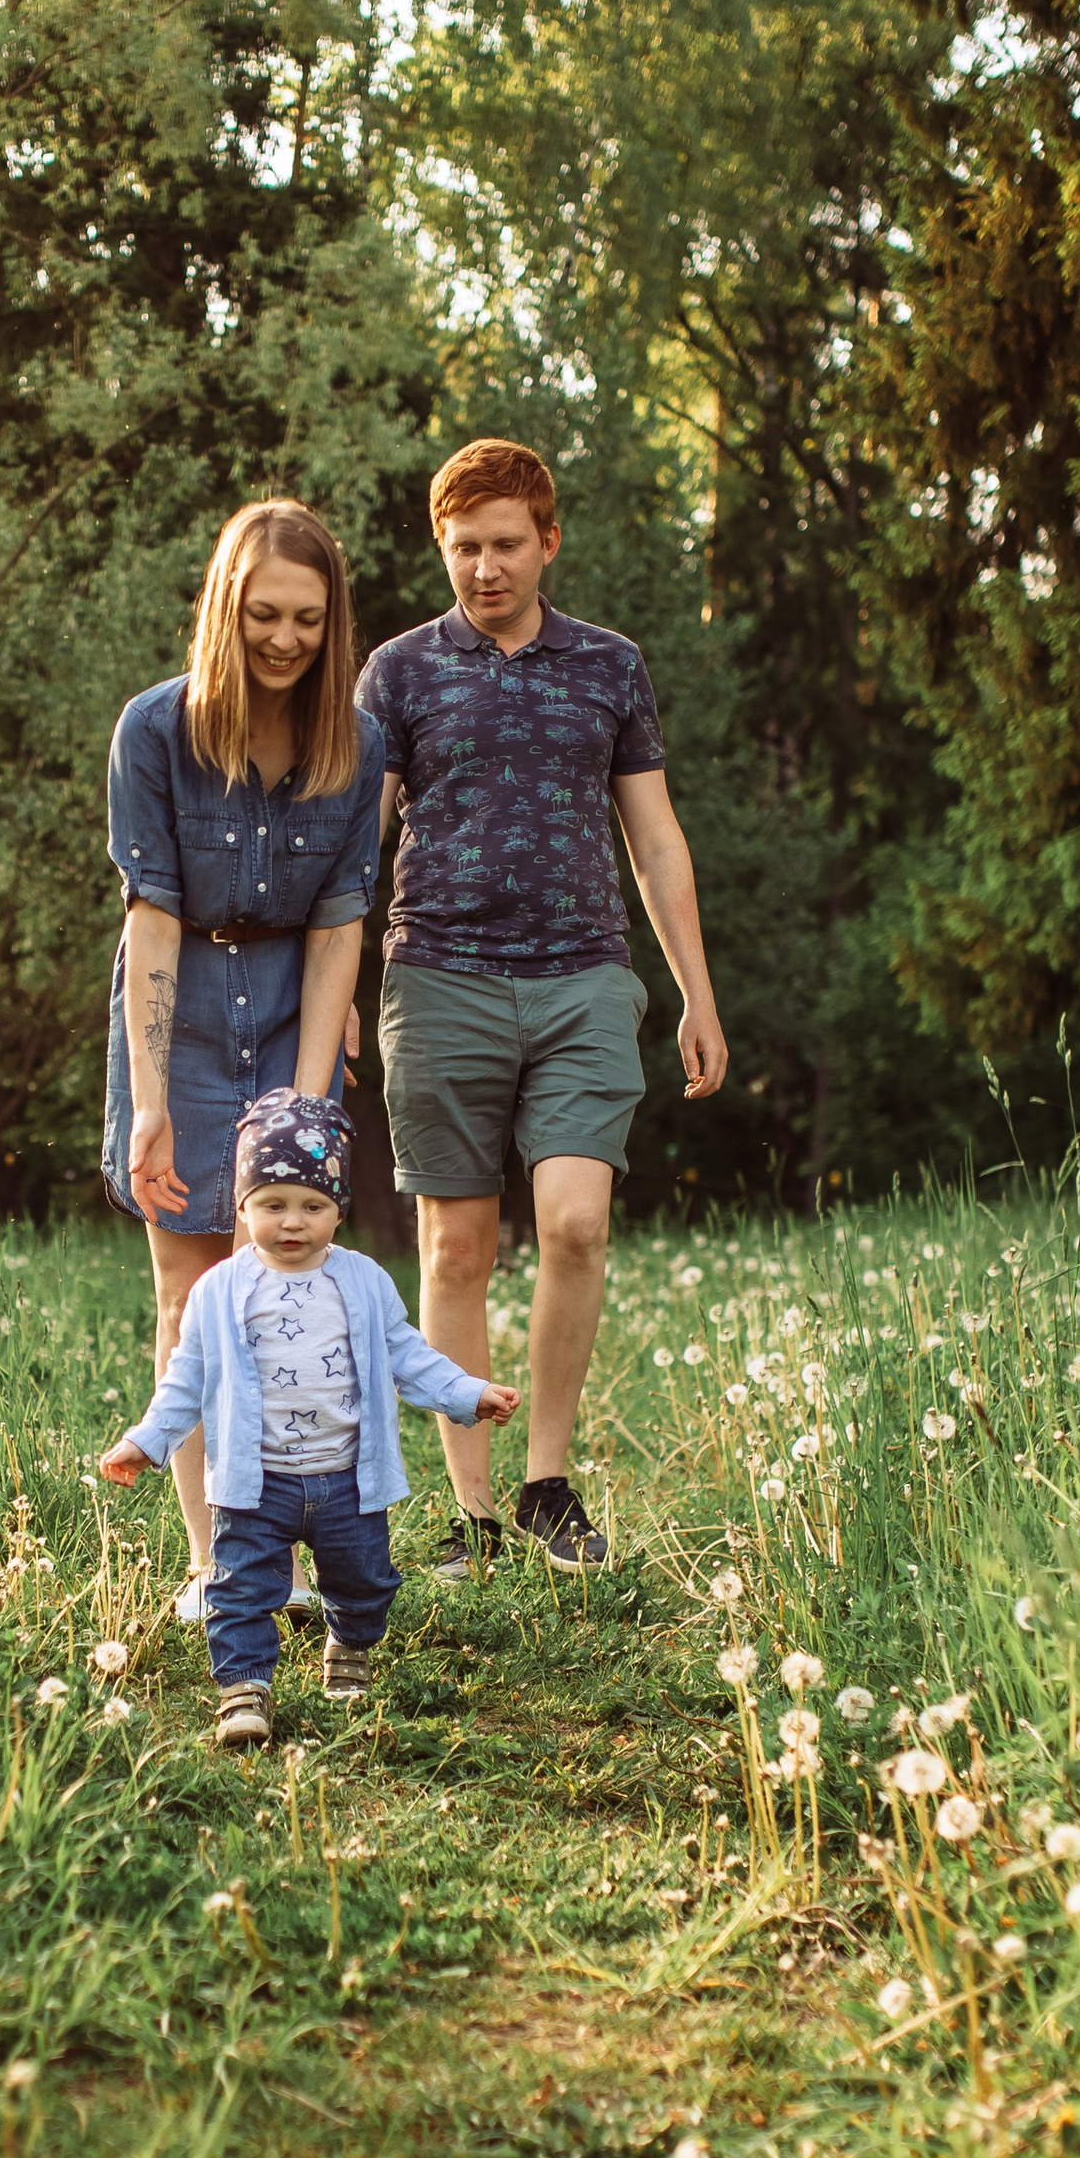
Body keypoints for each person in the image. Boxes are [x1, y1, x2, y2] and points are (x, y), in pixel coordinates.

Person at [360, 438, 728, 1576]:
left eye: (505, 545)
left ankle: (546, 1486)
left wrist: (693, 994)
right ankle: (471, 1515)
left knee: (573, 1221)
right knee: (457, 1246)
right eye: (463, 548)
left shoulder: (609, 666)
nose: (483, 568)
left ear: (548, 541)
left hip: (582, 977)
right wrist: (322, 994)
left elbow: (655, 839)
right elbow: (355, 846)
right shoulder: (398, 673)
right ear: (442, 548)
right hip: (437, 977)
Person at [102, 501, 384, 1623]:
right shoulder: (155, 731)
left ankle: (282, 1545)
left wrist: (311, 1109)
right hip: (177, 1016)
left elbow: (336, 935)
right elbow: (152, 920)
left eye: (307, 620)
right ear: (225, 606)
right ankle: (215, 1562)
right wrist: (152, 1102)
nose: (282, 639)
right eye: (262, 613)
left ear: (333, 623)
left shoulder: (350, 751)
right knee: (189, 1292)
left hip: (288, 1010)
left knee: (284, 1291)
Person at [100, 1090, 516, 1747]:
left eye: (312, 1206)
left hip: (346, 1479)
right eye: (272, 1205)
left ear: (338, 1211)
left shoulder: (363, 1281)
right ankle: (244, 1691)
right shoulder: (219, 1290)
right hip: (254, 1482)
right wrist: (145, 1441)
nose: (292, 1222)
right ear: (242, 1206)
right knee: (236, 1588)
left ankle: (349, 1646)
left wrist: (467, 1393)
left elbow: (406, 1353)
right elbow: (186, 1379)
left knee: (365, 1579)